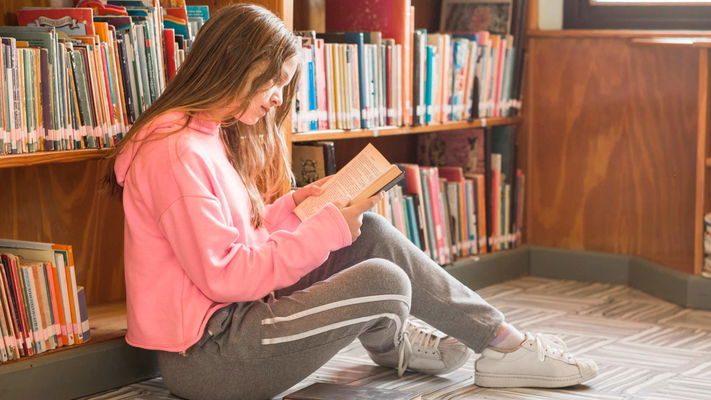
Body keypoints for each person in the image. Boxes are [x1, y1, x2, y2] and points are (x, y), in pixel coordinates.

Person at [105, 4, 598, 400]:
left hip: (234, 326)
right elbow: (228, 276)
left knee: (373, 234)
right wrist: (326, 227)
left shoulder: (203, 136)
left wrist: (301, 205)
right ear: (236, 66)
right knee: (384, 281)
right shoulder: (176, 154)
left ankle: (501, 343)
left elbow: (235, 241)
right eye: (274, 81)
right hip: (212, 358)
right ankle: (409, 341)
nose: (278, 97)